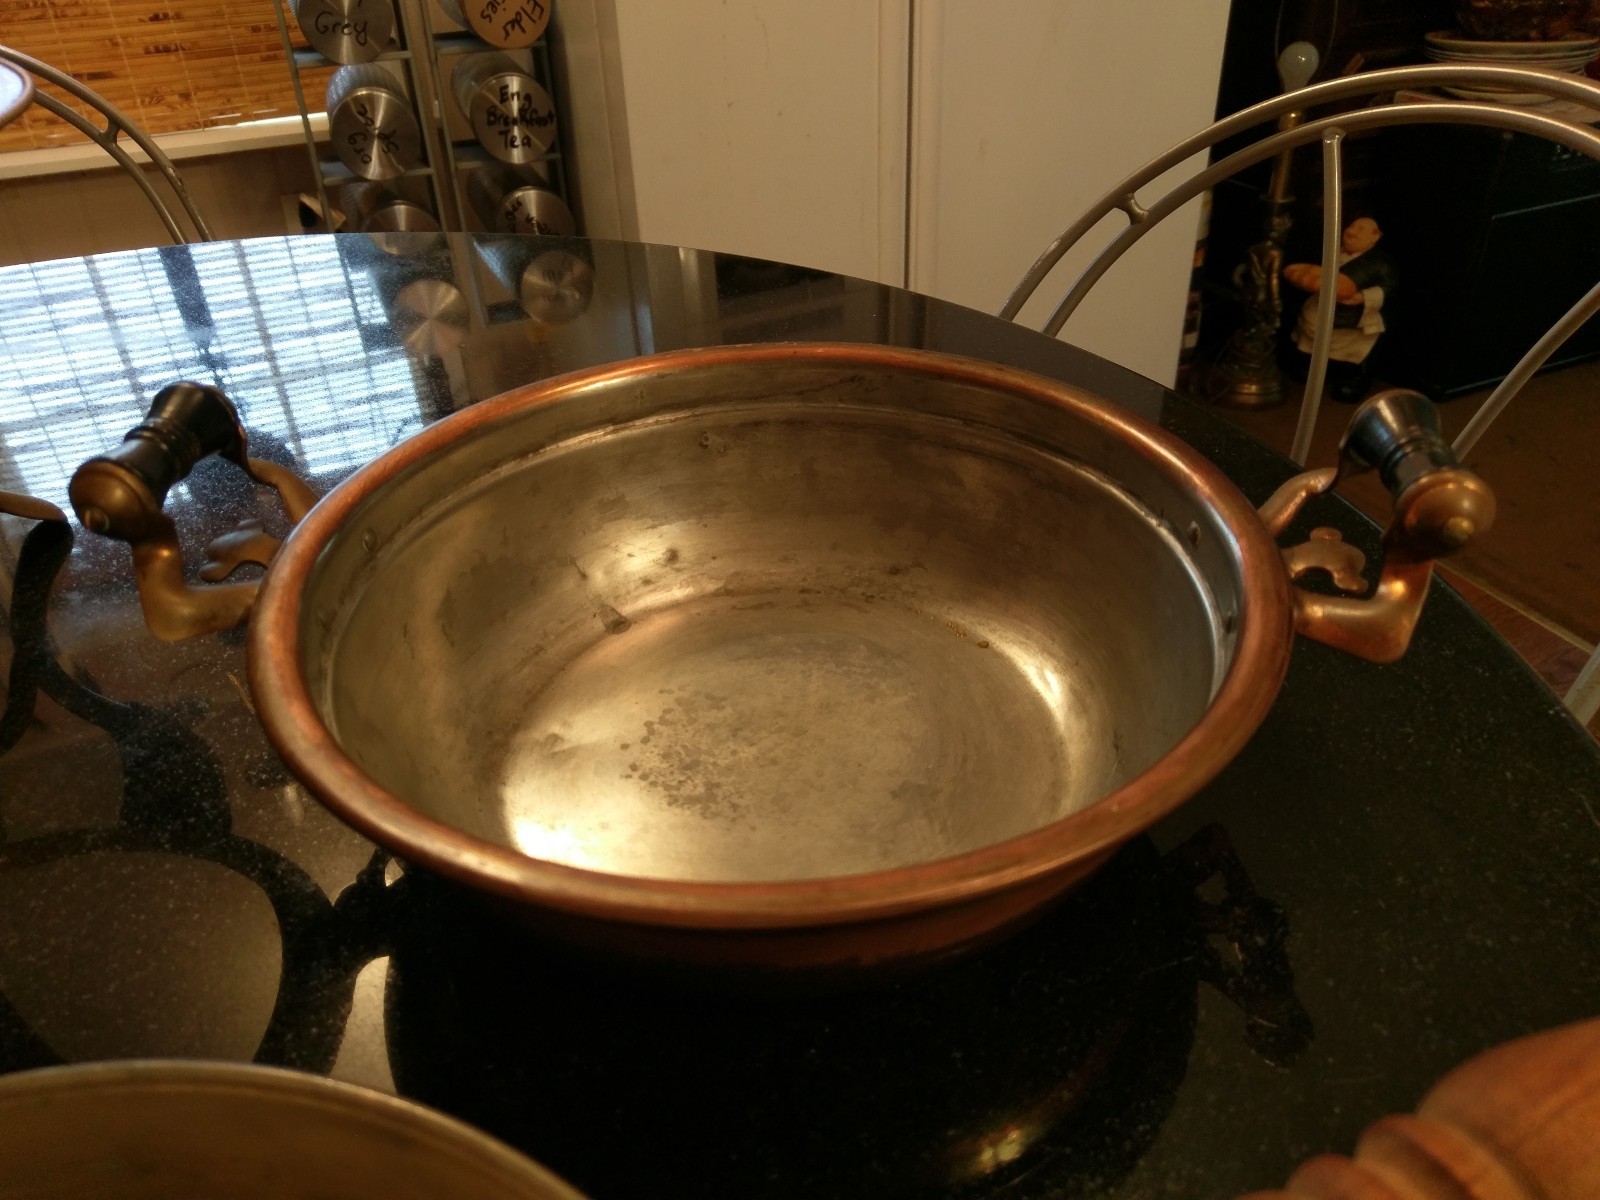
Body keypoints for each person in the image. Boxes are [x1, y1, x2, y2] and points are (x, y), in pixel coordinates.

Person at [1281, 214, 1398, 403]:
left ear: (1375, 236)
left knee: (1354, 347)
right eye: (1352, 226)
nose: (1352, 232)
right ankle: (1308, 366)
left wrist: (1362, 297)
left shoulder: (1380, 263)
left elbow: (1387, 288)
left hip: (1353, 317)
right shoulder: (1333, 251)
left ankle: (1354, 379)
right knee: (1312, 335)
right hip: (1322, 306)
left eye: (1361, 230)